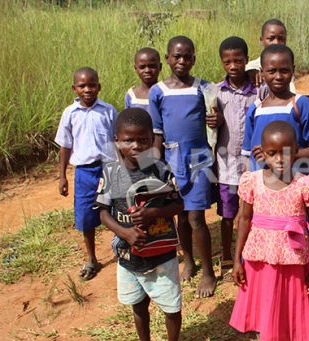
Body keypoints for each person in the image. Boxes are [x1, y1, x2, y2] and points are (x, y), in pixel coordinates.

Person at [230, 121, 309, 340]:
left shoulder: (305, 184)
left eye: (286, 153)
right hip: (259, 259)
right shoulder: (251, 181)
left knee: (290, 304)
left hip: (294, 258)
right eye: (272, 153)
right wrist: (237, 260)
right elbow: (244, 220)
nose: (279, 159)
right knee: (265, 302)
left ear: (297, 151)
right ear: (262, 153)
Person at [96, 108, 183, 341]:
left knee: (171, 307)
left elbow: (178, 205)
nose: (136, 145)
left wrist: (155, 212)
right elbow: (103, 213)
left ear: (152, 140)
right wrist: (124, 233)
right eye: (128, 140)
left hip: (162, 255)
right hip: (128, 256)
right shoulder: (111, 172)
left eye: (143, 139)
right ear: (116, 141)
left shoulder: (161, 169)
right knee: (138, 305)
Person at [149, 36, 217, 297]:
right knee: (180, 215)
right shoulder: (159, 91)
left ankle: (208, 271)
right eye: (176, 56)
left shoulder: (203, 87)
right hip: (172, 159)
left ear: (194, 59)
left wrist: (216, 118)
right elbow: (157, 133)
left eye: (187, 56)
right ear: (167, 58)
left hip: (199, 157)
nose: (182, 61)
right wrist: (155, 166)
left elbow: (215, 112)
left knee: (196, 216)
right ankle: (188, 260)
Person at [55, 67, 117, 281]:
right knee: (86, 216)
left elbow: (117, 141)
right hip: (84, 172)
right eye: (82, 86)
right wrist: (62, 176)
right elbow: (65, 146)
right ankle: (92, 259)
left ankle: (123, 248)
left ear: (99, 87)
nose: (87, 89)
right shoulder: (69, 114)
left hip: (109, 168)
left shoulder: (108, 111)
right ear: (75, 88)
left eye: (92, 85)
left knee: (116, 209)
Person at [213, 36, 258, 279]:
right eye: (227, 62)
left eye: (238, 61)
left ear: (246, 60)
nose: (233, 66)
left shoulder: (258, 92)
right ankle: (227, 256)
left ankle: (247, 255)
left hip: (251, 167)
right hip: (227, 166)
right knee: (228, 214)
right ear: (222, 63)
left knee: (251, 212)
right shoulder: (216, 93)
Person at [241, 44, 309, 172]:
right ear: (262, 72)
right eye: (272, 71)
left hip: (294, 186)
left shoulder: (303, 106)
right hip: (261, 187)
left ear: (293, 70)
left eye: (284, 71)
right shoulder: (255, 109)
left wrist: (279, 155)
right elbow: (248, 156)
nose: (278, 76)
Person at [246, 18, 309, 102]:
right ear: (262, 40)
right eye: (271, 38)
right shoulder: (252, 68)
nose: (276, 43)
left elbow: (288, 99)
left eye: (281, 39)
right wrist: (248, 72)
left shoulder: (285, 67)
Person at [125, 47, 162, 112]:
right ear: (135, 69)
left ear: (160, 67)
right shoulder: (131, 95)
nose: (147, 70)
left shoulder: (165, 92)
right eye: (142, 67)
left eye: (152, 66)